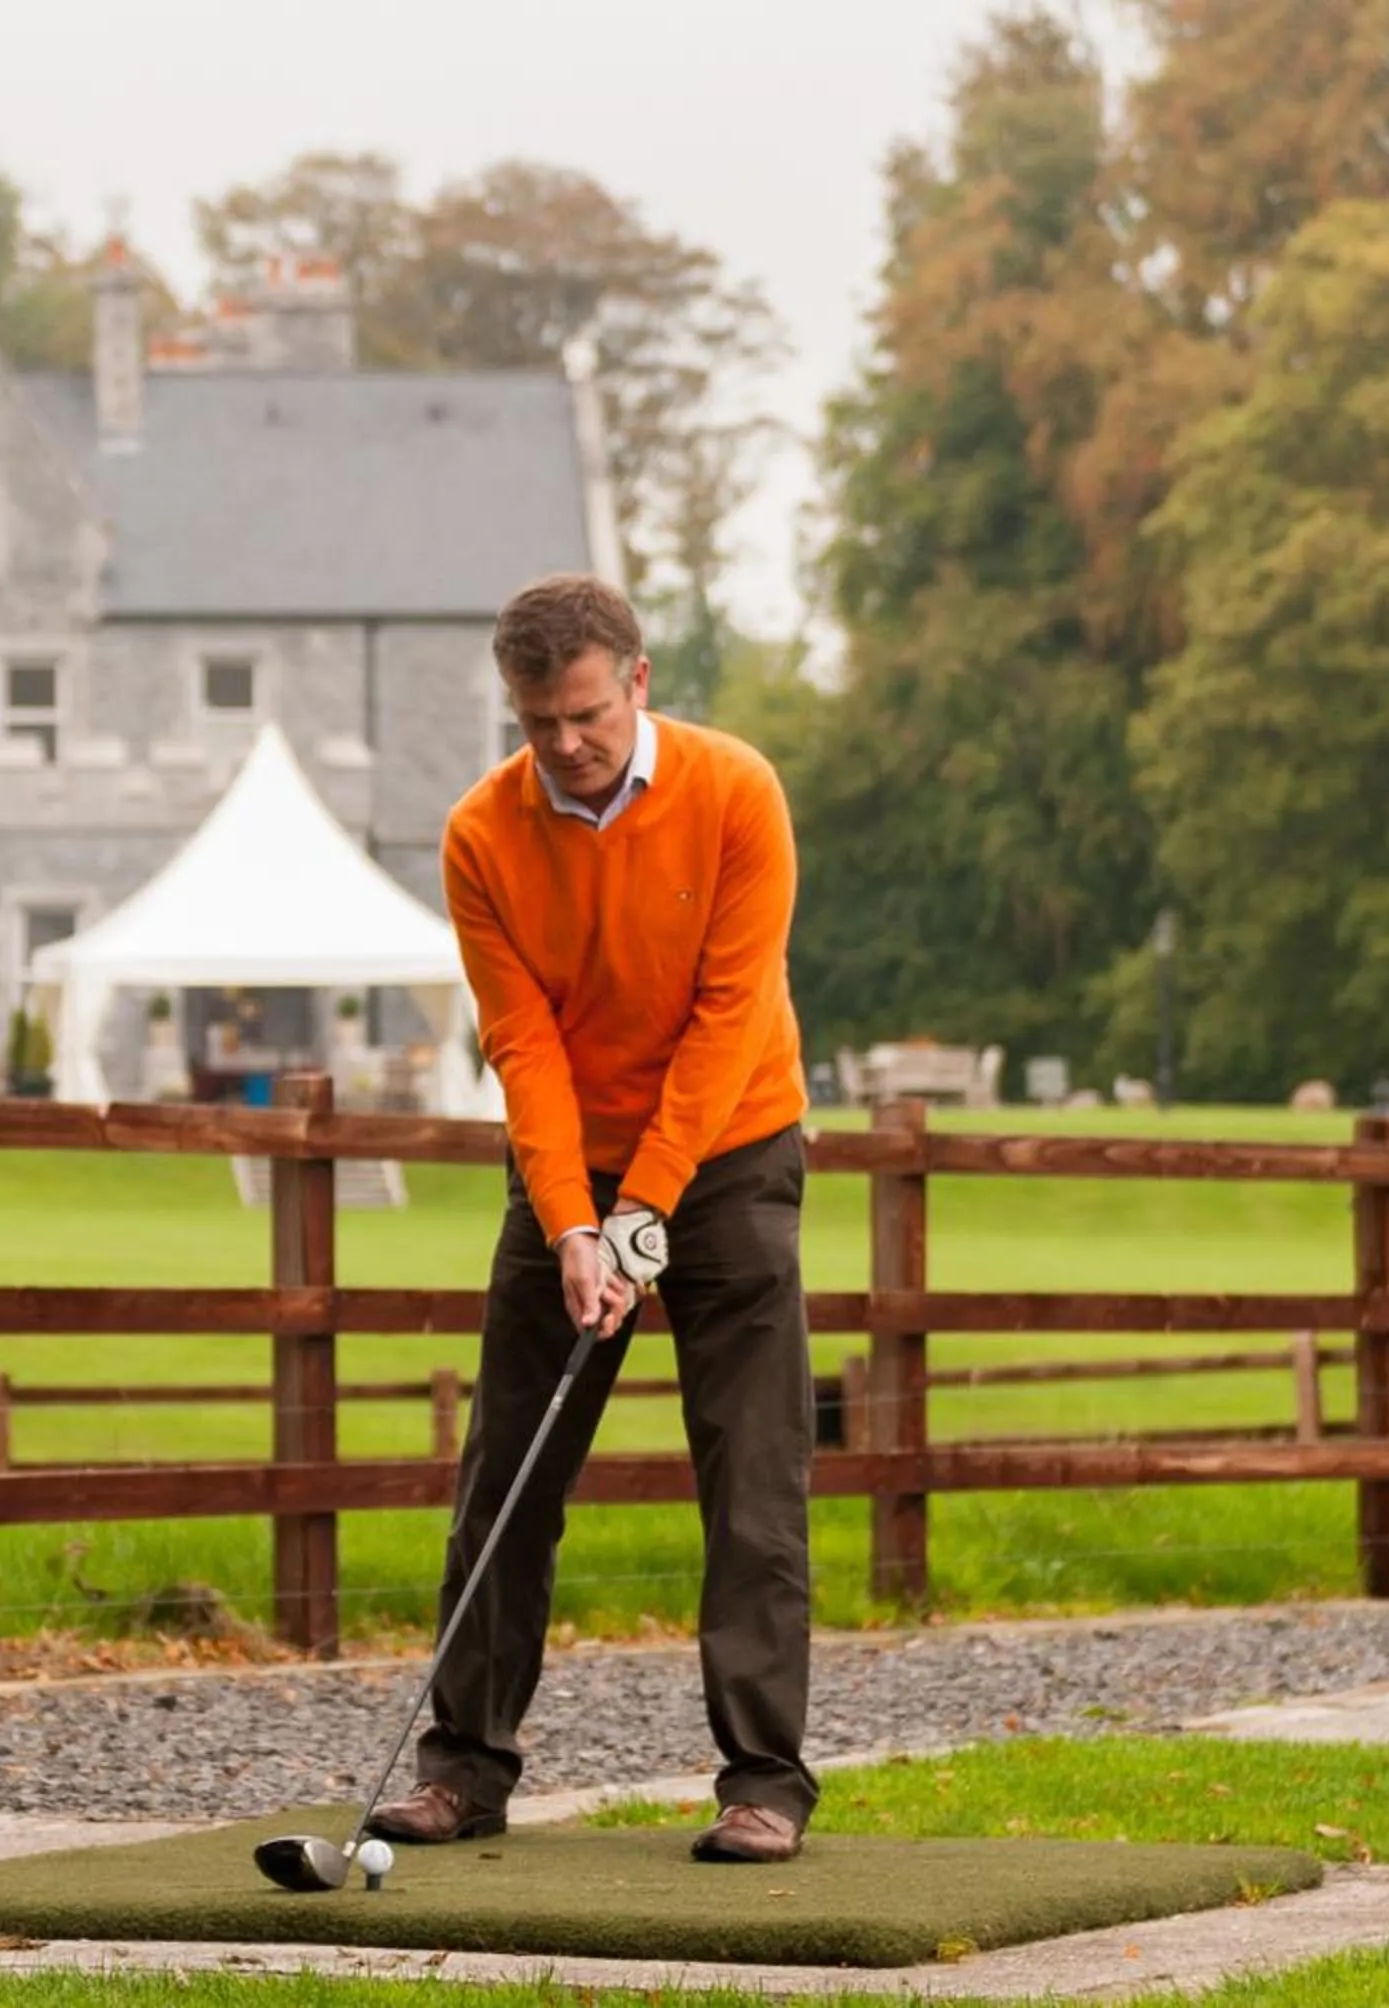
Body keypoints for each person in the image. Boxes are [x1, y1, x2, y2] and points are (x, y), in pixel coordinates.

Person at [366, 571, 815, 1866]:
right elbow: (525, 1045)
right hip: (568, 1173)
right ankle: (462, 1770)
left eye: (581, 714)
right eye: (535, 722)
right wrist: (574, 1224)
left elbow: (729, 1019)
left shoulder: (738, 793)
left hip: (728, 1152)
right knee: (507, 1468)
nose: (564, 745)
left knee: (752, 1478)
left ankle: (763, 1783)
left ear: (637, 682)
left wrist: (646, 1212)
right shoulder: (480, 836)